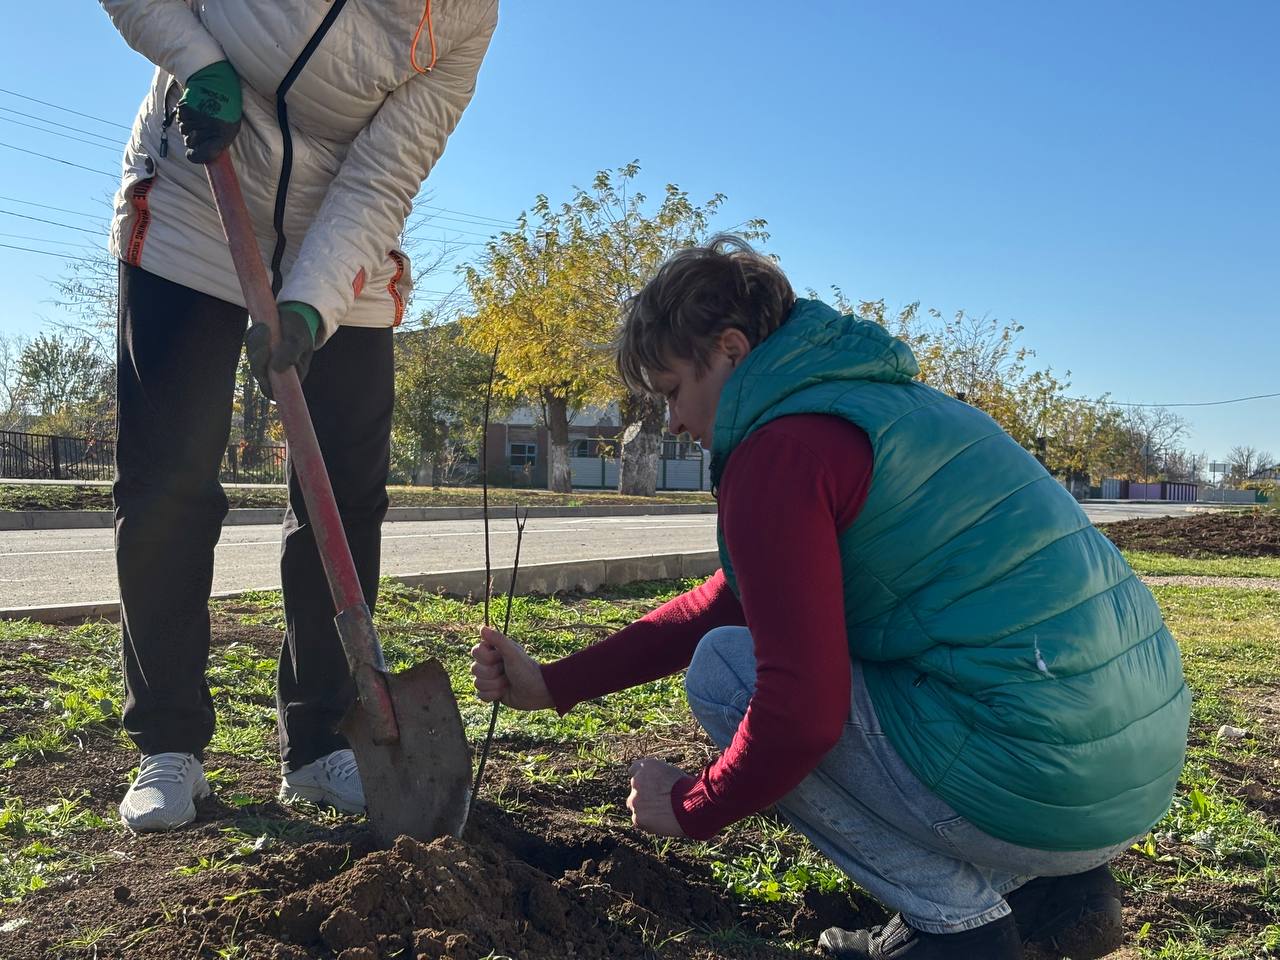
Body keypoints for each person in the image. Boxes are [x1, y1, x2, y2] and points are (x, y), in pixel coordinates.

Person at [470, 236, 1190, 960]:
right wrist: (554, 683)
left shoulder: (780, 455)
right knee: (784, 650)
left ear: (729, 350)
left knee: (727, 672)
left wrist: (691, 807)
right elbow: (734, 599)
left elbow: (800, 714)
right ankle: (1053, 898)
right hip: (1124, 783)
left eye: (671, 391)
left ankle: (958, 929)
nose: (674, 423)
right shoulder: (892, 409)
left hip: (1036, 786)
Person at [100, 0, 498, 831]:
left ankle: (322, 741)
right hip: (193, 203)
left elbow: (384, 171)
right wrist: (195, 55)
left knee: (346, 498)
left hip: (339, 240)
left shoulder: (465, 15)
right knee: (167, 483)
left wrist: (312, 305)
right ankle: (169, 744)